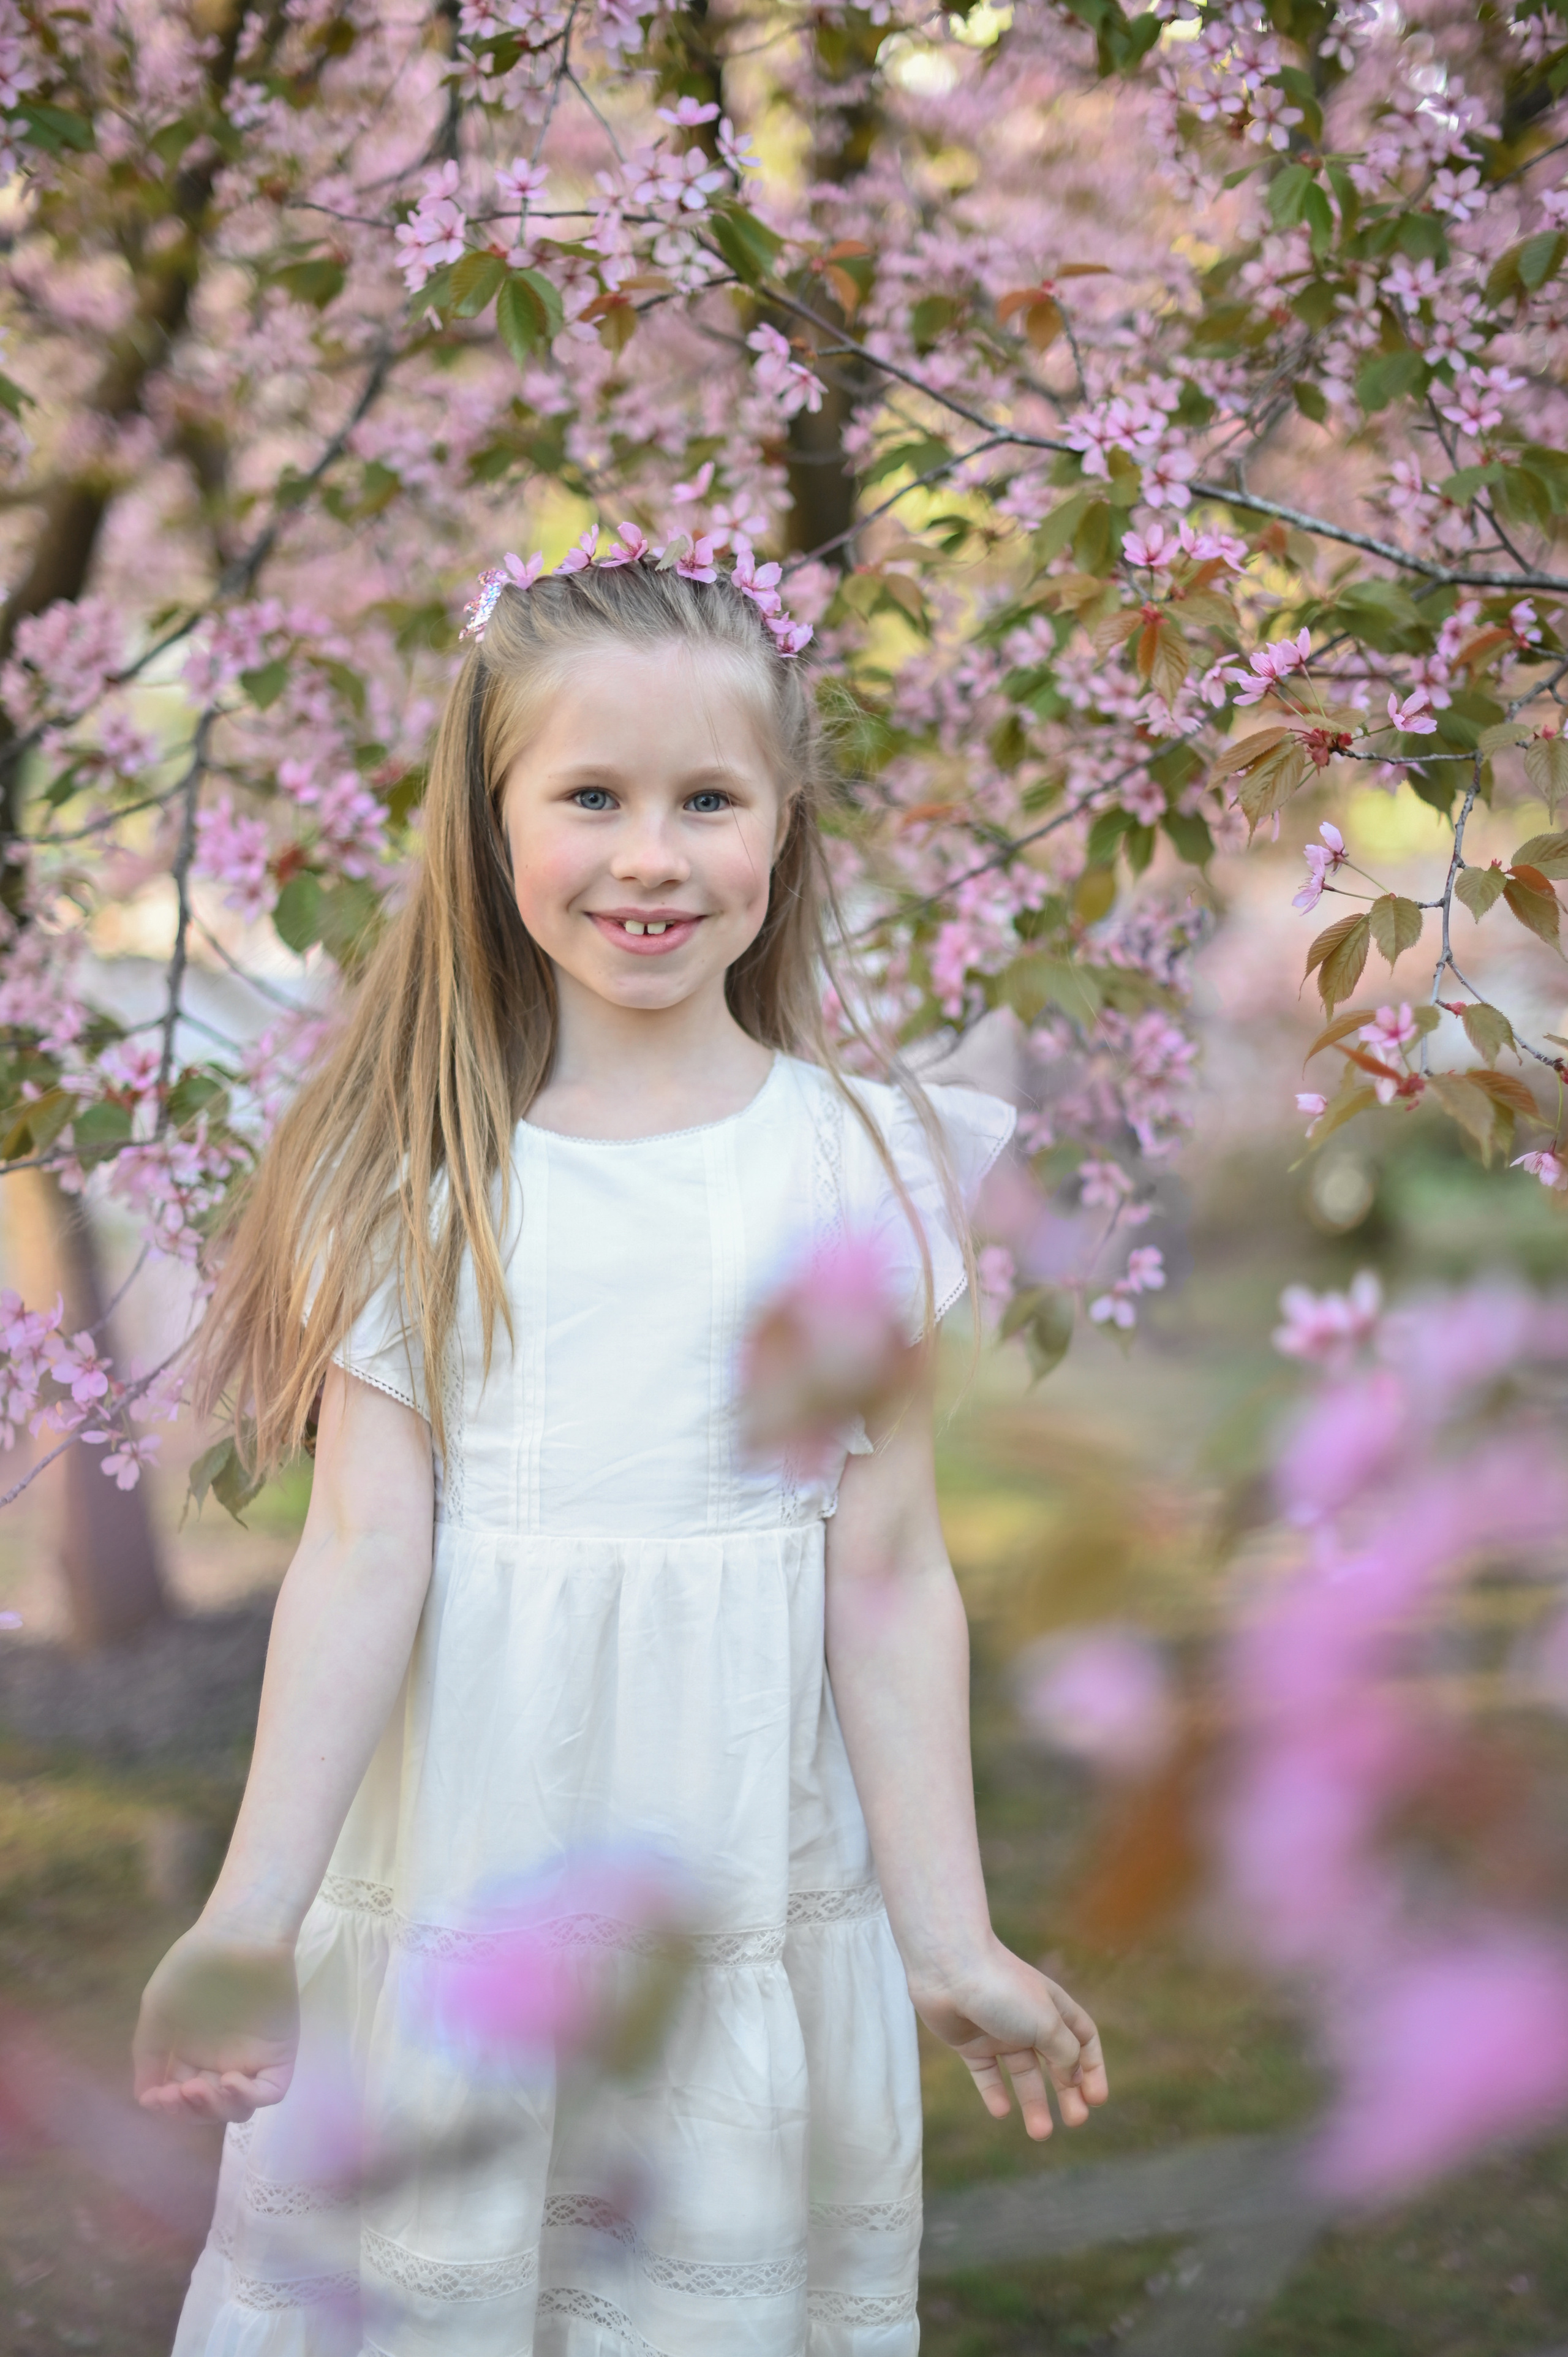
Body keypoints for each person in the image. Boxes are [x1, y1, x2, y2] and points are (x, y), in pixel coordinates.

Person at [135, 534, 1109, 2355]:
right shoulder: (425, 1179)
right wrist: (252, 1914)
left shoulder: (854, 1170)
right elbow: (361, 1559)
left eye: (706, 799)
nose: (651, 855)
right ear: (495, 831)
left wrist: (948, 1933)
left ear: (785, 824)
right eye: (592, 794)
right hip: (468, 1882)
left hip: (731, 1861)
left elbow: (883, 1571)